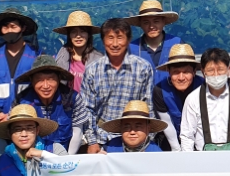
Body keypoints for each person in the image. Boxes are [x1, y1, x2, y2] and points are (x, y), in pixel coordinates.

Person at [80, 18, 154, 153]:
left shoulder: (142, 68)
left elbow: (148, 106)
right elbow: (87, 110)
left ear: (128, 40)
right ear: (103, 41)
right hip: (102, 139)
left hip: (135, 138)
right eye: (110, 38)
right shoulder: (92, 70)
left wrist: (147, 139)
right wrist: (92, 142)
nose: (115, 44)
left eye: (120, 38)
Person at [14, 55, 91, 155]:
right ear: (32, 81)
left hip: (65, 154)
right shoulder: (21, 101)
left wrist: (66, 160)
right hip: (32, 155)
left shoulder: (72, 98)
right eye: (40, 80)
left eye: (51, 79)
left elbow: (78, 132)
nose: (46, 86)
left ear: (59, 79)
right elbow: (16, 134)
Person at [181, 48, 230, 151]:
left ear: (229, 70)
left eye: (220, 69)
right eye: (210, 70)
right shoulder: (193, 99)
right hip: (203, 156)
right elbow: (187, 136)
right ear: (203, 72)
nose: (216, 74)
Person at [0, 7, 39, 126]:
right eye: (5, 27)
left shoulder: (36, 56)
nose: (9, 31)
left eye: (13, 27)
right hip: (0, 119)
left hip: (28, 117)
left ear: (23, 28)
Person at [153, 43, 204, 151]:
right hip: (172, 139)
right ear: (168, 71)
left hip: (202, 140)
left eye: (186, 72)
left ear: (194, 72)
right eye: (176, 72)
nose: (181, 77)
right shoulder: (160, 90)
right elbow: (167, 123)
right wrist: (177, 150)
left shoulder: (205, 87)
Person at [126, 0, 182, 86]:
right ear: (140, 24)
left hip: (173, 98)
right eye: (146, 22)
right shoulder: (132, 48)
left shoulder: (177, 44)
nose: (151, 26)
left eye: (156, 21)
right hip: (142, 99)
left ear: (163, 22)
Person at [53, 10, 104, 94]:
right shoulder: (60, 57)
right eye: (73, 32)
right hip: (66, 104)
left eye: (83, 31)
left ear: (89, 34)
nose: (78, 36)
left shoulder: (99, 60)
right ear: (69, 35)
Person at [100, 100, 167, 153]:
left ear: (148, 128)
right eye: (127, 127)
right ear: (121, 128)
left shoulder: (156, 154)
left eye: (138, 127)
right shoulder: (110, 146)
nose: (132, 132)